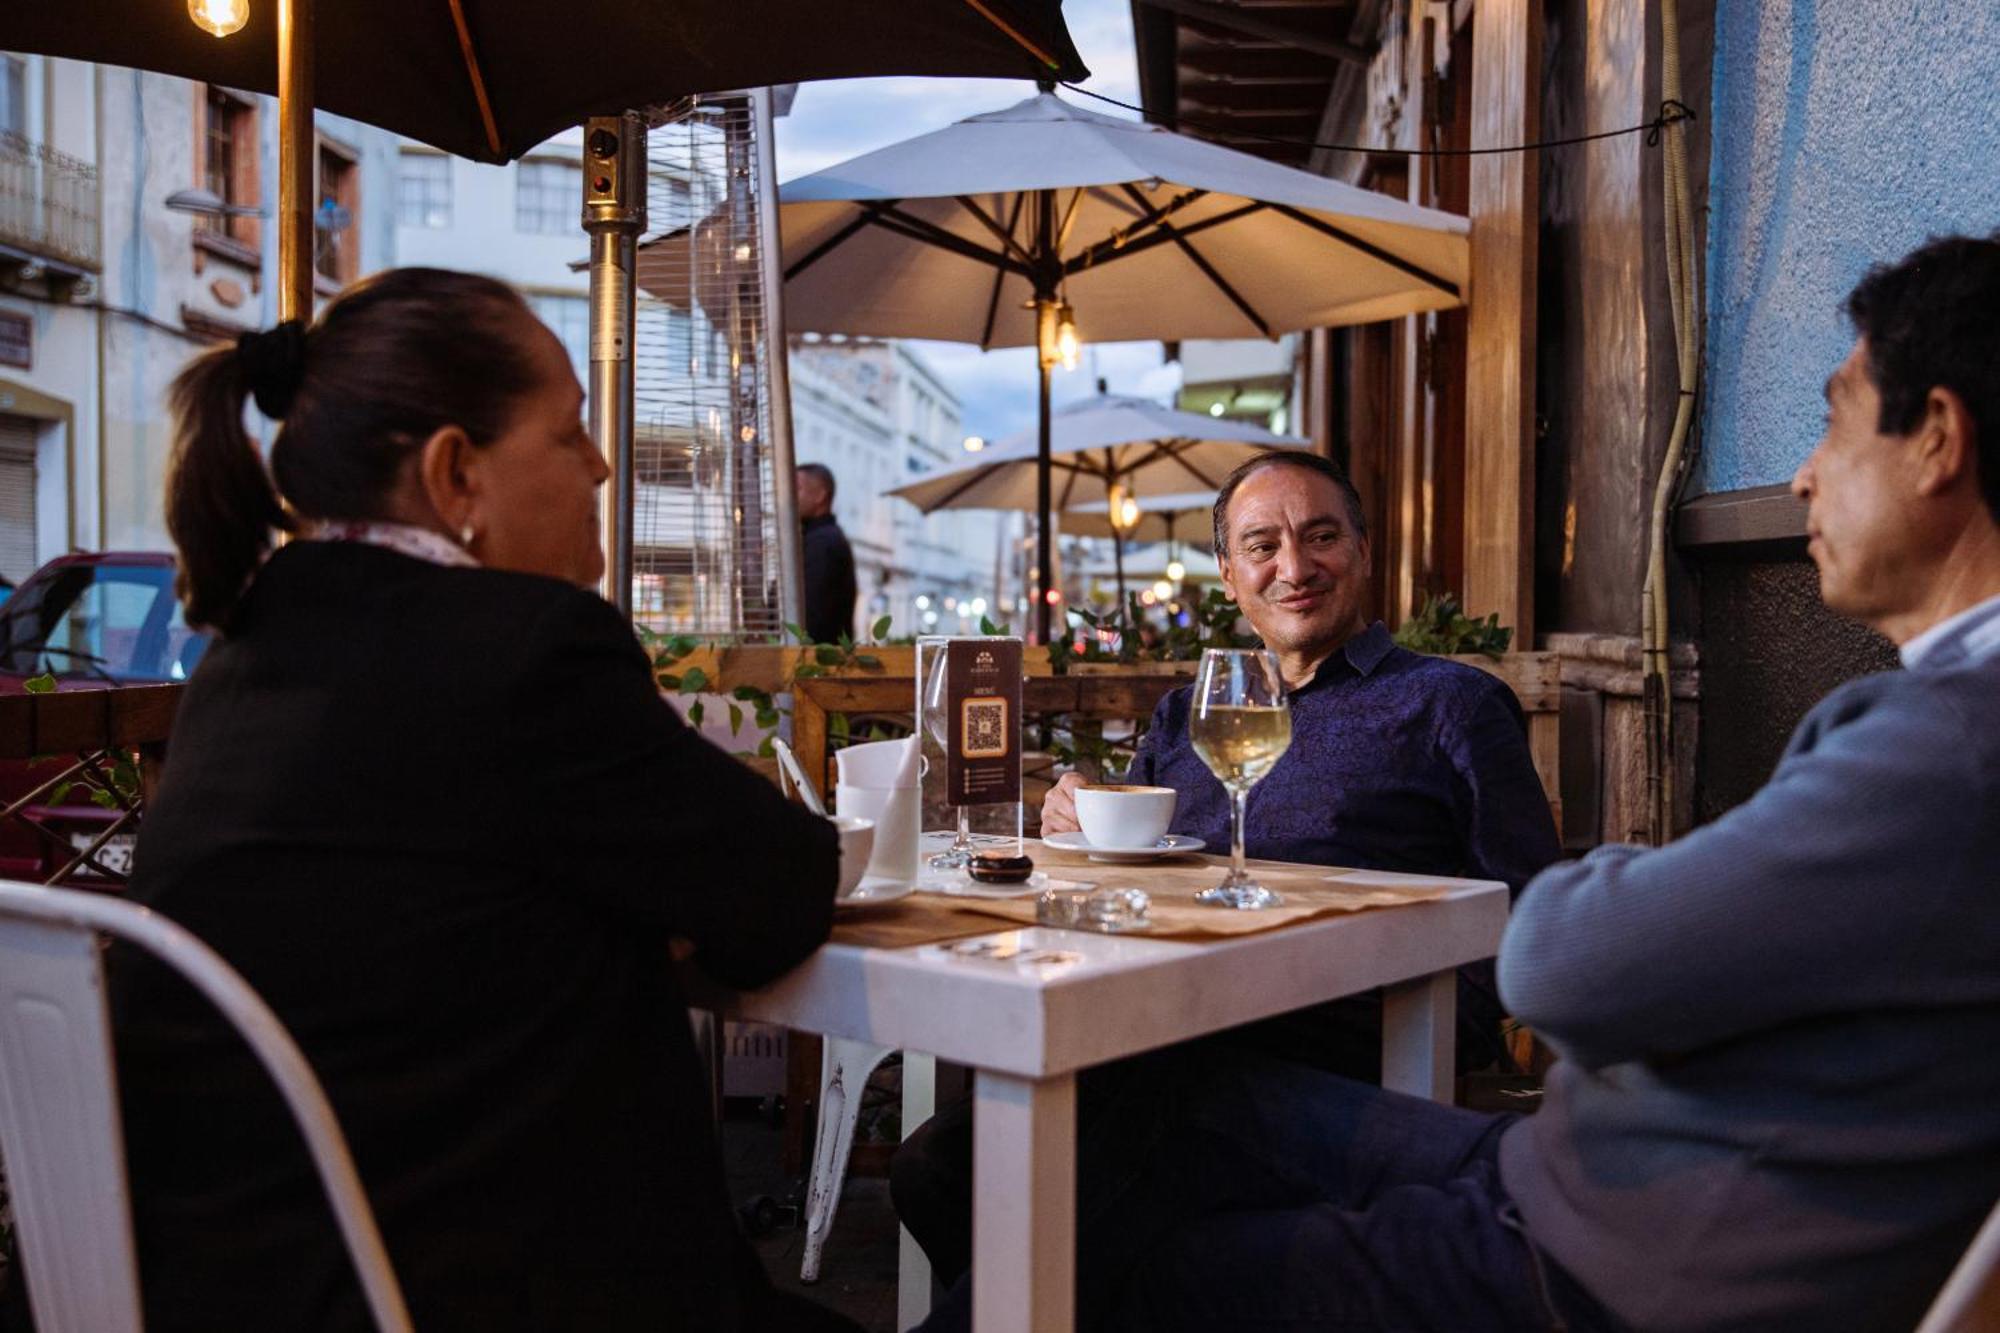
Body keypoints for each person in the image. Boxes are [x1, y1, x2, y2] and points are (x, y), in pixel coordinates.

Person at [927, 231, 2000, 1333]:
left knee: (1111, 1253)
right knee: (1059, 1130)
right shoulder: (1934, 735)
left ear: (1936, 441)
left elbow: (1547, 950)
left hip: (1598, 1248)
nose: (1801, 472)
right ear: (1228, 574)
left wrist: (1631, 902)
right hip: (1586, 1173)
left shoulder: (1941, 741)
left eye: (1830, 416)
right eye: (1260, 546)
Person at [91, 269, 857, 1332]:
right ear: (457, 475)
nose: (597, 465)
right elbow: (782, 887)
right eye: (570, 430)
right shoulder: (524, 651)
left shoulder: (247, 651)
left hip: (229, 1286)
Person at [893, 449, 1561, 1286]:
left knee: (1112, 1166)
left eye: (1321, 536)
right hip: (1163, 1025)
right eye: (1262, 545)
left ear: (1361, 548)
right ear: (1229, 574)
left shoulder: (1450, 703)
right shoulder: (1192, 711)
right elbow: (1127, 865)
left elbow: (1531, 908)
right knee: (934, 1166)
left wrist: (1427, 1014)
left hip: (1340, 1033)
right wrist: (1076, 815)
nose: (1295, 566)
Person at [796, 461, 856, 644]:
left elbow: (813, 615)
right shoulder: (822, 538)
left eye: (796, 489)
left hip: (815, 663)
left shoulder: (822, 543)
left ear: (820, 496)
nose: (788, 497)